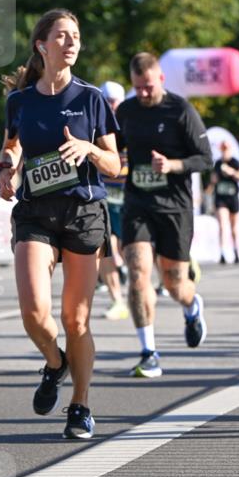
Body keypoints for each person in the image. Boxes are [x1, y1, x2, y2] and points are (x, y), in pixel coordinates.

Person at [0, 9, 120, 440]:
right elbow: (11, 146)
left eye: (76, 37)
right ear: (41, 46)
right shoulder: (21, 101)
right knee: (33, 313)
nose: (71, 43)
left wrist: (88, 148)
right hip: (35, 213)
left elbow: (116, 165)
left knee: (77, 320)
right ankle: (55, 363)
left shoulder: (91, 99)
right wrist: (5, 168)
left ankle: (81, 405)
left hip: (83, 212)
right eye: (62, 36)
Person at [116, 52, 212, 377]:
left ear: (161, 80)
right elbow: (111, 148)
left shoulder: (180, 110)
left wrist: (173, 165)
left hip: (175, 207)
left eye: (148, 87)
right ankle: (149, 352)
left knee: (174, 285)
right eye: (138, 88)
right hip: (138, 204)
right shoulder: (126, 111)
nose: (143, 94)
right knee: (138, 273)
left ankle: (192, 305)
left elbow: (206, 159)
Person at [99, 81, 130, 321]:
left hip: (129, 195)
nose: (111, 105)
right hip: (104, 194)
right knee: (106, 245)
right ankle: (117, 300)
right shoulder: (94, 124)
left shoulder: (132, 123)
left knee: (128, 248)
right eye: (107, 100)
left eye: (115, 100)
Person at [210, 140, 239, 264]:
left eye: (226, 149)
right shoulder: (218, 163)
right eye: (223, 149)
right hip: (221, 197)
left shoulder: (235, 162)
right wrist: (213, 180)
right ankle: (222, 252)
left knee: (234, 228)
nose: (224, 151)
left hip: (233, 197)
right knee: (222, 224)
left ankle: (236, 251)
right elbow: (213, 179)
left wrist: (232, 172)